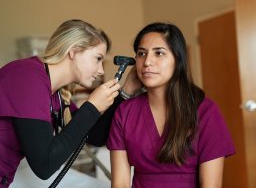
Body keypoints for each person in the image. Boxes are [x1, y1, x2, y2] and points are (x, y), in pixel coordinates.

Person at [0, 19, 141, 187]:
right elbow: (45, 165)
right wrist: (92, 107)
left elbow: (94, 136)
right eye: (98, 59)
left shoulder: (57, 95)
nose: (101, 70)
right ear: (74, 51)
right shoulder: (27, 76)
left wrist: (125, 91)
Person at [107, 22, 236, 188]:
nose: (147, 62)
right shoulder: (125, 112)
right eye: (141, 54)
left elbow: (211, 185)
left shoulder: (205, 111)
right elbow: (121, 184)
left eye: (159, 53)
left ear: (178, 59)